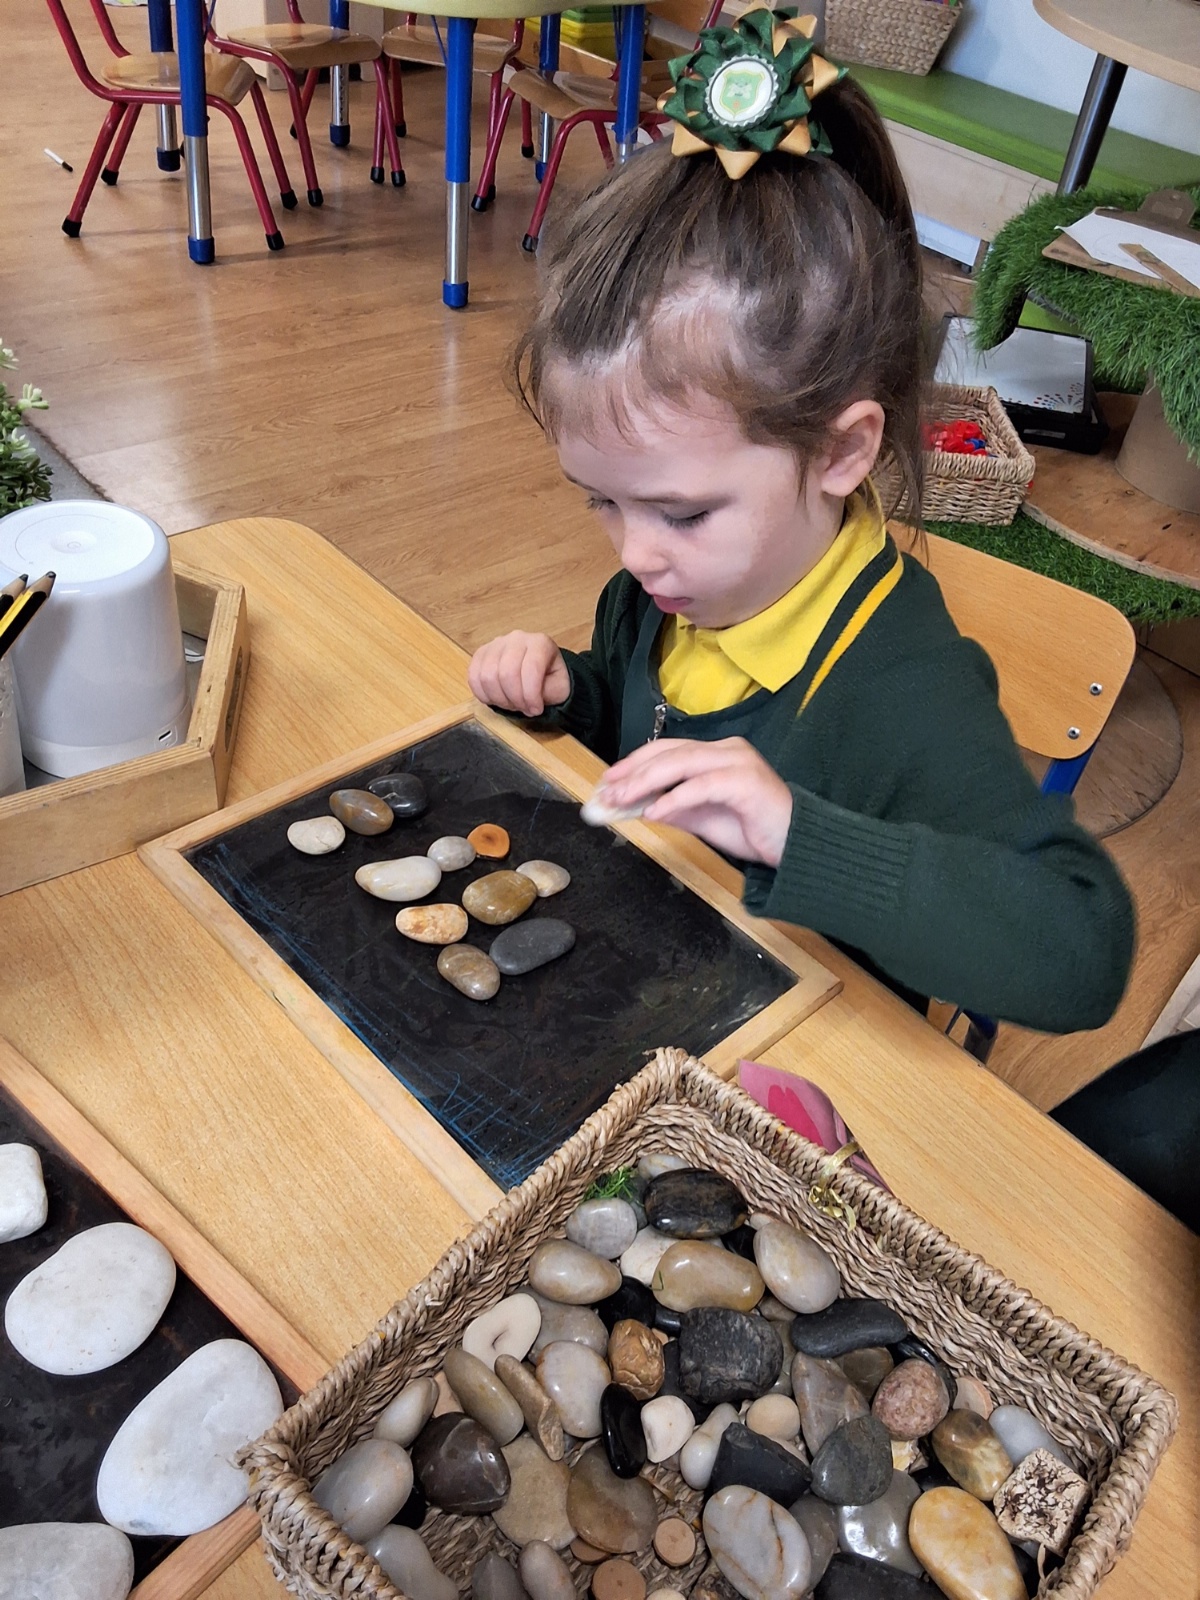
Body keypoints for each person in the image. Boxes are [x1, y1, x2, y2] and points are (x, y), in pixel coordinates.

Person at [467, 7, 1133, 1032]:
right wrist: (574, 692)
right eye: (601, 500)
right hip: (660, 990)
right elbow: (649, 729)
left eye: (684, 511)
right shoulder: (666, 593)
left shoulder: (904, 687)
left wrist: (795, 834)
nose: (636, 552)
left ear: (840, 451)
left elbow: (1081, 952)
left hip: (807, 1063)